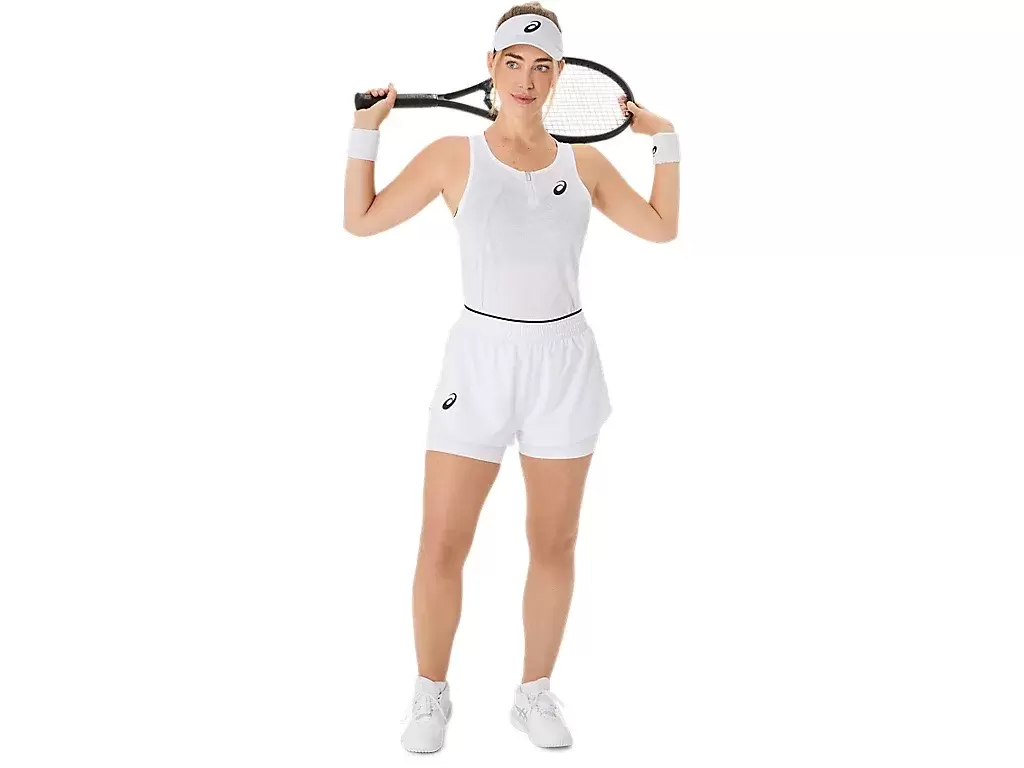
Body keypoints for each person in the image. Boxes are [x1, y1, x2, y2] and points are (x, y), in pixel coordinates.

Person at [344, 1, 679, 753]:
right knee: (442, 542)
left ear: (559, 74)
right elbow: (360, 220)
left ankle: (533, 694)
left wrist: (666, 142)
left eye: (543, 65)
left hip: (565, 366)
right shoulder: (451, 156)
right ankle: (430, 694)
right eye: (514, 62)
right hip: (479, 362)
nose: (527, 78)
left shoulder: (584, 165)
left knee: (554, 542)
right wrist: (367, 131)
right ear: (492, 66)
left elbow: (662, 228)